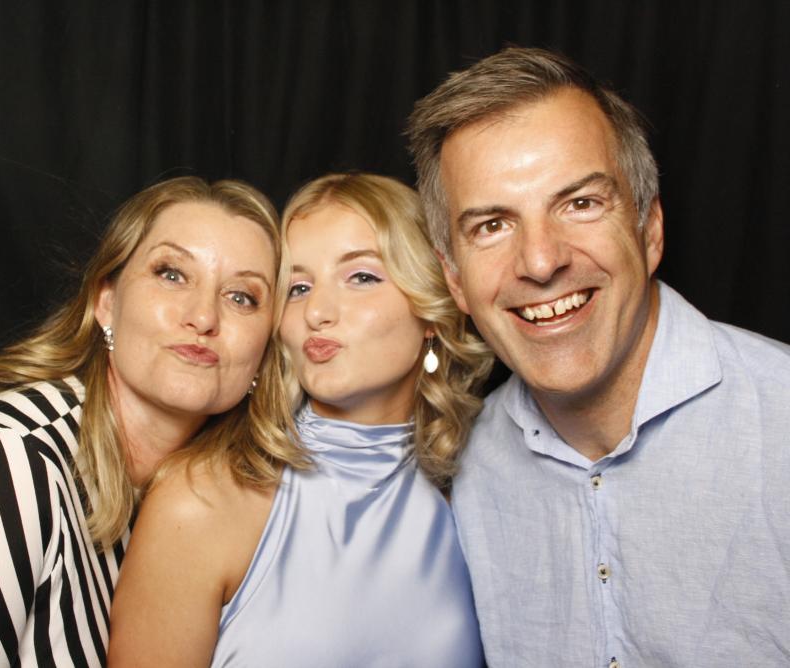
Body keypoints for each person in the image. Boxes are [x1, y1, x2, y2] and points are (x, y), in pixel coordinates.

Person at [0, 176, 304, 666]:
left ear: (265, 351)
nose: (203, 317)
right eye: (172, 274)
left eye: (242, 297)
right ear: (106, 302)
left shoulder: (215, 507)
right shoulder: (0, 462)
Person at [407, 46, 790, 667]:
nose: (540, 262)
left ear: (649, 228)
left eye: (580, 203)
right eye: (492, 226)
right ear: (454, 279)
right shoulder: (462, 471)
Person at [106, 172, 492, 667]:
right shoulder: (203, 499)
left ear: (432, 308)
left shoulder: (478, 499)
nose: (317, 312)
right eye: (299, 287)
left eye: (362, 277)